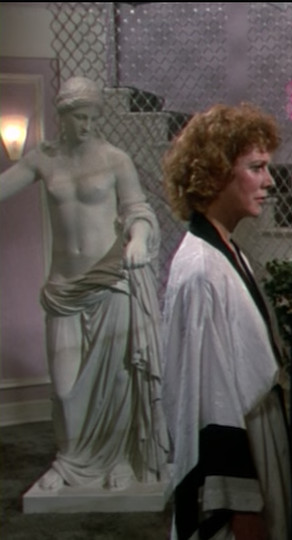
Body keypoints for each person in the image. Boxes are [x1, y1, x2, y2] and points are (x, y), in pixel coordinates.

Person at [0, 76, 168, 491]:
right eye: (79, 117)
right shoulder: (43, 159)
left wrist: (139, 238)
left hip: (110, 279)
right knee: (64, 385)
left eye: (93, 117)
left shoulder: (115, 160)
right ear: (62, 116)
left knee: (118, 379)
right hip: (64, 287)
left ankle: (119, 460)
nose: (88, 125)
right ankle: (69, 461)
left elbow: (139, 210)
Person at [161, 103, 292, 540]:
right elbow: (207, 398)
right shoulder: (202, 270)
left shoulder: (227, 251)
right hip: (238, 447)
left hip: (258, 434)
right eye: (256, 168)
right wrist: (239, 504)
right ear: (216, 174)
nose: (269, 181)